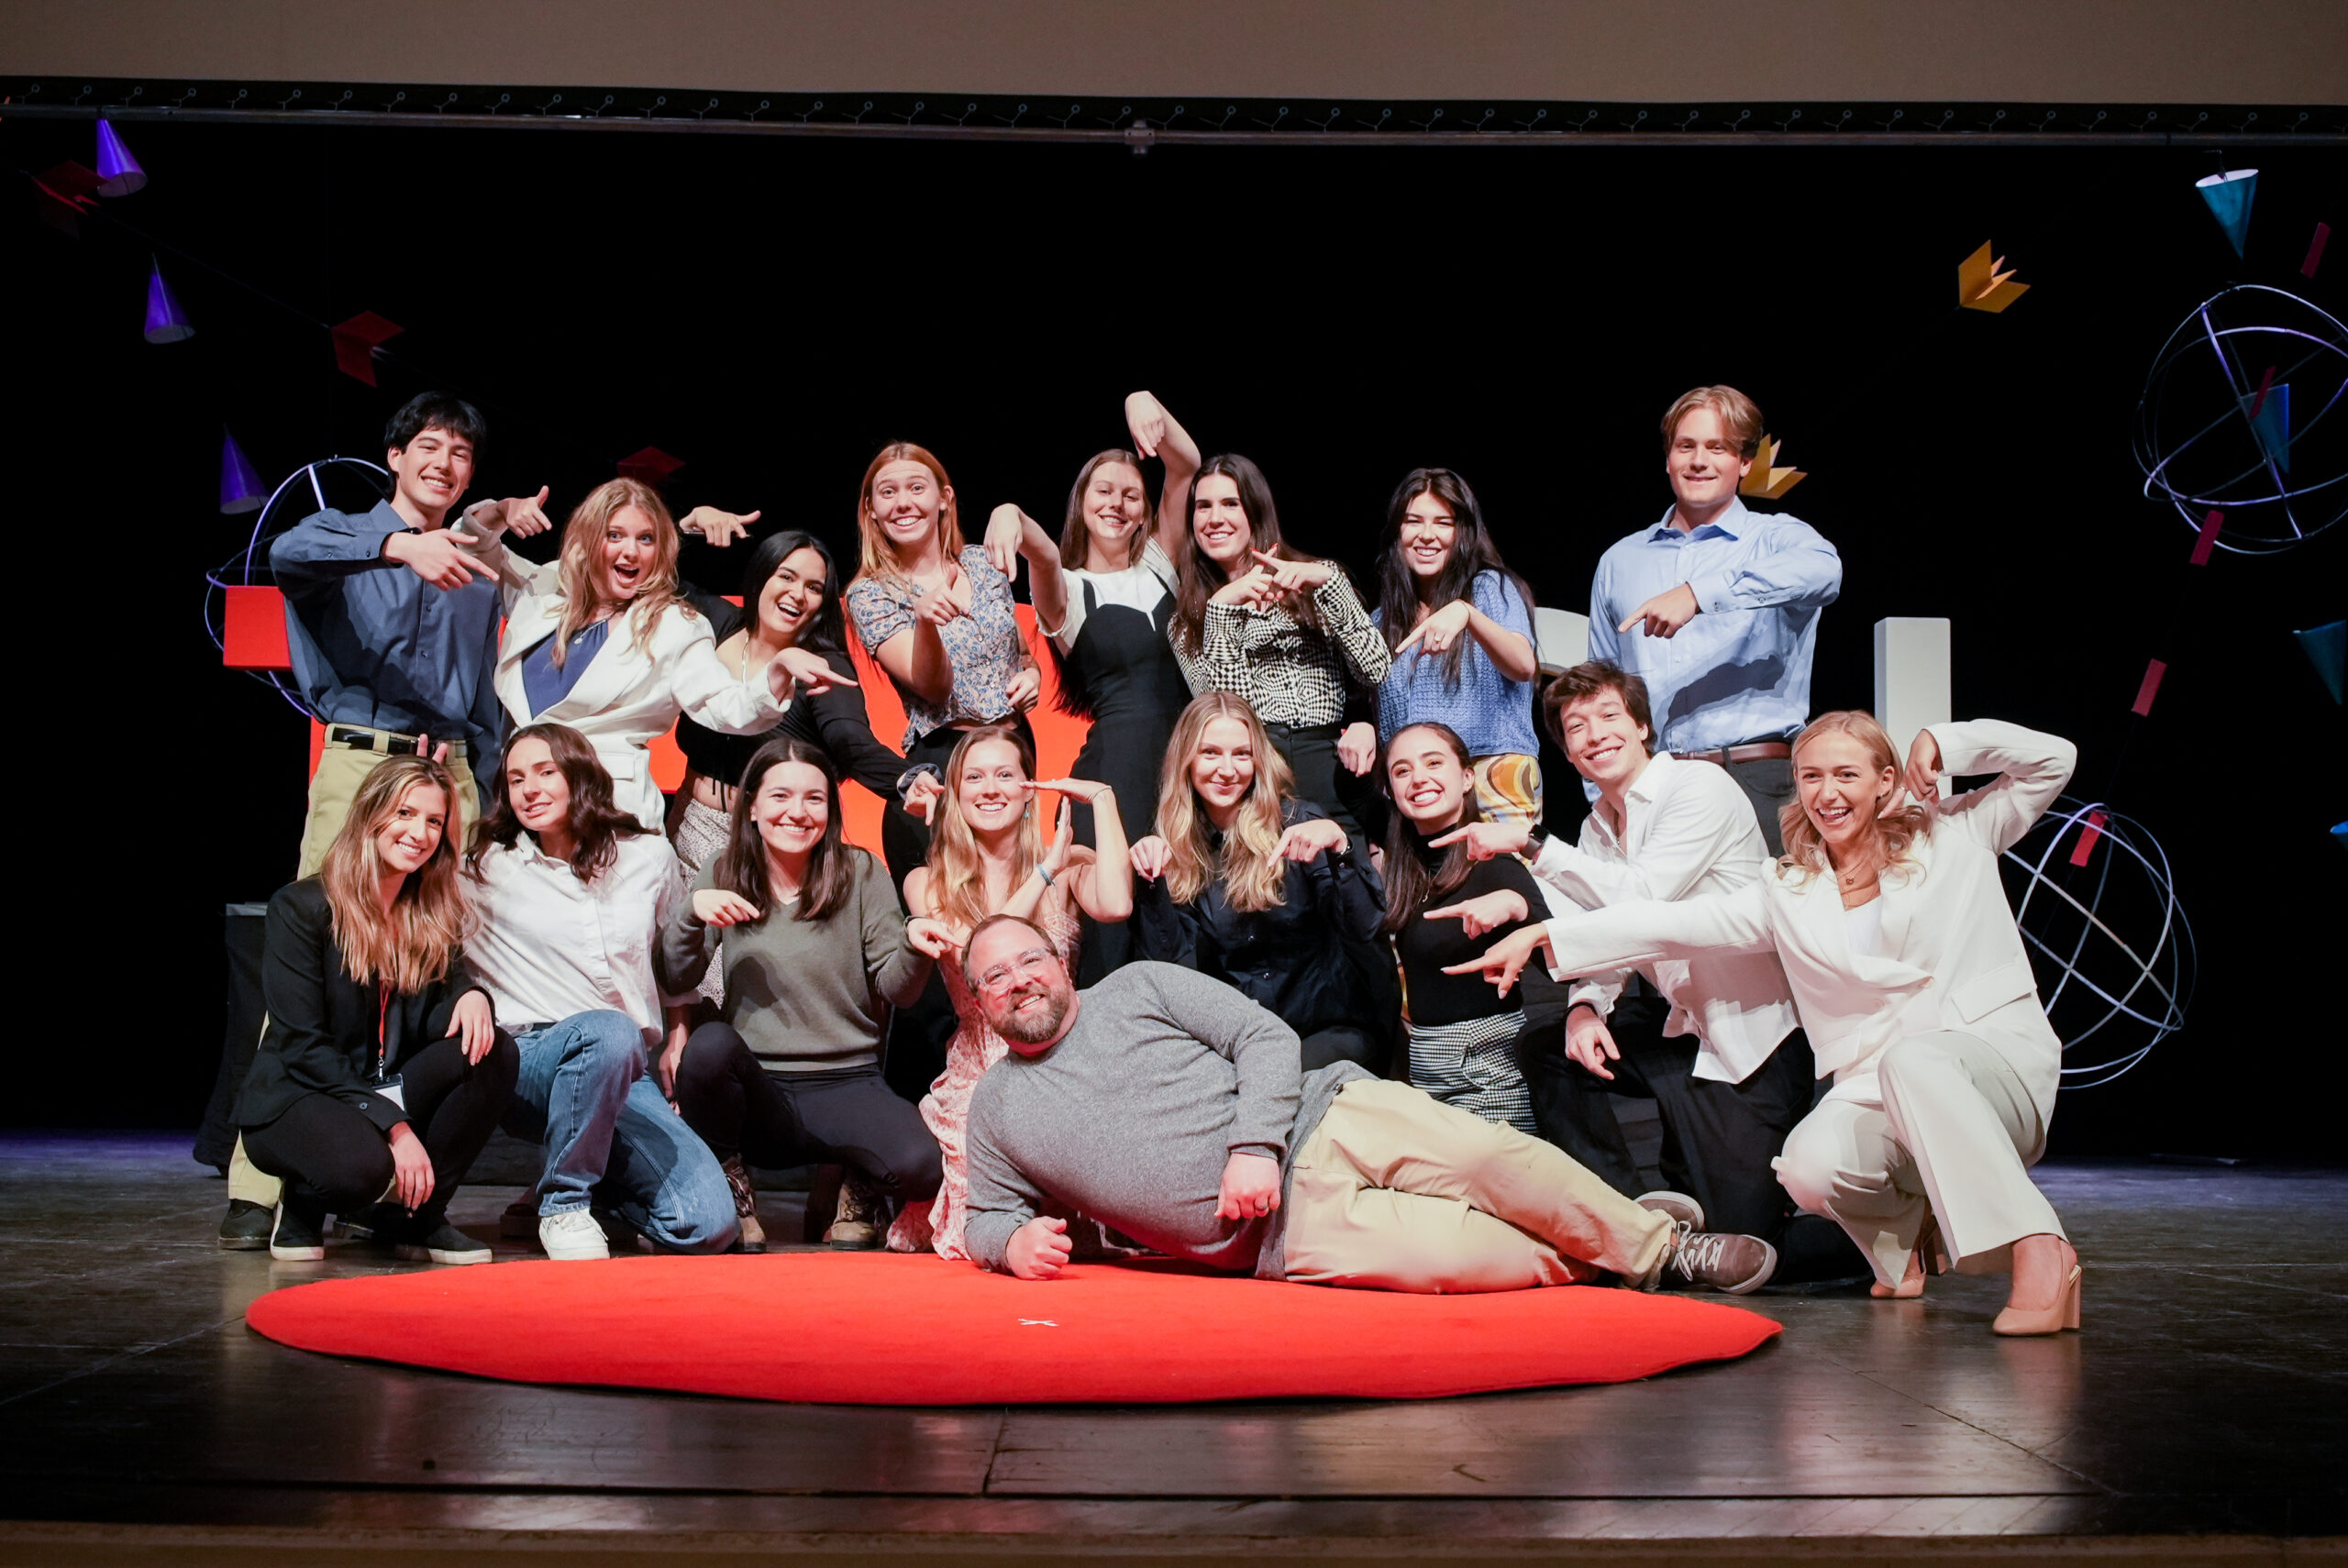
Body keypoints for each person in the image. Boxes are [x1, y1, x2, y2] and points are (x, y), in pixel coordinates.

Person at [1451, 712, 2085, 1335]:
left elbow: (2054, 760)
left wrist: (1946, 742)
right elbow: (1675, 923)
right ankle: (1905, 1240)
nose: (1827, 793)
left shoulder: (1956, 832)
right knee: (1808, 1169)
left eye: (1846, 774)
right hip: (1881, 1088)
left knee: (1915, 1059)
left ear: (1886, 781)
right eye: (1811, 776)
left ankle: (2041, 1247)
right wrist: (1548, 935)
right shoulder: (1789, 888)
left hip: (1989, 1065)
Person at [956, 915, 1776, 1293]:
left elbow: (1265, 1038)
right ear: (980, 1001)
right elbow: (984, 1217)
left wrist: (1254, 1147)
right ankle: (1607, 1241)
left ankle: (1665, 1250)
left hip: (1327, 1114)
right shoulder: (997, 1109)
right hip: (1281, 1237)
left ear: (1059, 962)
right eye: (995, 976)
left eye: (1029, 959)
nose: (1019, 980)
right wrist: (1011, 1242)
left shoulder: (1138, 987)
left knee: (1488, 1157)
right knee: (1458, 1258)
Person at [1438, 663, 1866, 1287]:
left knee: (1749, 1243)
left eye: (1608, 716)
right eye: (1575, 728)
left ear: (1642, 726)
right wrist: (1585, 1006)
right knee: (1550, 1047)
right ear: (1568, 754)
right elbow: (1607, 936)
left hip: (1752, 1042)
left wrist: (1533, 845)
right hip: (1679, 1031)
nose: (1594, 735)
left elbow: (1643, 902)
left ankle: (1888, 1238)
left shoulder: (1699, 787)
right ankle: (1626, 1218)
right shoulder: (1595, 829)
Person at [659, 737, 947, 1252]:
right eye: (780, 796)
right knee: (708, 1047)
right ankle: (733, 1192)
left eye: (815, 798)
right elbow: (679, 977)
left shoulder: (861, 872)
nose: (798, 811)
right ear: (752, 806)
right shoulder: (723, 870)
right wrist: (690, 913)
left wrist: (914, 944)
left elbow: (897, 991)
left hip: (845, 1082)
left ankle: (858, 1185)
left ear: (830, 809)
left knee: (923, 1167)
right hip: (755, 1090)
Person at [463, 723, 737, 1260]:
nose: (530, 790)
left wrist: (678, 1036)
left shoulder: (647, 856)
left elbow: (667, 967)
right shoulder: (484, 866)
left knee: (707, 1225)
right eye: (516, 779)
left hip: (623, 1069)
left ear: (580, 776)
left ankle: (595, 1187)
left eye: (546, 772)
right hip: (526, 1061)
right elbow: (424, 929)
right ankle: (562, 1205)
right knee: (608, 1030)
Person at [234, 755, 518, 1264]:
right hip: (301, 1093)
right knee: (361, 1172)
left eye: (434, 821)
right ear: (371, 814)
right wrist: (396, 1127)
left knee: (493, 1051)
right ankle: (303, 1198)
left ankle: (418, 1217)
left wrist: (471, 995)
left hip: (376, 1086)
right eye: (405, 813)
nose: (419, 833)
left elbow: (440, 1010)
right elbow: (303, 1045)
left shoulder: (429, 911)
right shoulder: (301, 907)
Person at [453, 478, 847, 831]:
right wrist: (500, 511)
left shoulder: (675, 626)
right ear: (588, 538)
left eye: (646, 539)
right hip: (519, 810)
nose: (631, 552)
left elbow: (726, 706)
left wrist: (777, 672)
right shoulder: (545, 588)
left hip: (605, 818)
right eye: (615, 535)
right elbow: (471, 545)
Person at [890, 723, 1132, 1259]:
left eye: (1005, 774)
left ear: (1029, 789)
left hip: (1066, 1063)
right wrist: (1044, 872)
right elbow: (985, 953)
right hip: (982, 1071)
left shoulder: (1068, 860)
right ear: (954, 795)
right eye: (974, 778)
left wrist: (1103, 799)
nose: (990, 789)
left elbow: (1116, 904)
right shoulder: (927, 882)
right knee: (988, 1222)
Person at [983, 392, 1201, 979]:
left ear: (1144, 510)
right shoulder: (1068, 589)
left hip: (1186, 765)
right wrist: (1009, 512)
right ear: (1081, 502)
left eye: (1131, 494)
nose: (1117, 503)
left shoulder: (1161, 563)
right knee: (1115, 939)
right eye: (1103, 491)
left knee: (1187, 919)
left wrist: (1143, 401)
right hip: (1117, 774)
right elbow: (1042, 554)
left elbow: (1186, 465)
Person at [1588, 385, 1842, 854]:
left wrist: (1699, 594)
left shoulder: (1776, 538)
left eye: (1717, 447)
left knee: (1771, 905)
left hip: (1754, 777)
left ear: (1744, 462)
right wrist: (1603, 795)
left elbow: (1825, 573)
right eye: (1686, 446)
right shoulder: (1620, 561)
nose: (1699, 461)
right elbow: (1598, 691)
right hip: (1655, 784)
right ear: (1668, 459)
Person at [670, 530, 906, 1005]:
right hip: (686, 826)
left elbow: (852, 743)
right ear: (762, 575)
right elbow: (658, 569)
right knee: (679, 973)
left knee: (738, 991)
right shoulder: (717, 625)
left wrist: (910, 779)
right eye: (787, 576)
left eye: (814, 587)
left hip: (763, 845)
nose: (798, 594)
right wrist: (690, 526)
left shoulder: (821, 666)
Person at [1128, 694, 1388, 1073]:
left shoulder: (1298, 822)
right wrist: (1153, 883)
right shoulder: (1180, 848)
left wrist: (1341, 846)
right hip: (1243, 1044)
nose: (1227, 770)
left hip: (1329, 1031)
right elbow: (1170, 971)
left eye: (1242, 754)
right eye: (1210, 753)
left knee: (1271, 1077)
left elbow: (1364, 927)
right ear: (1186, 759)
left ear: (1258, 760)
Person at [841, 443, 1042, 889]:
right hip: (944, 765)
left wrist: (1032, 676)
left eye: (917, 488)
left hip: (1014, 752)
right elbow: (932, 687)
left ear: (944, 498)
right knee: (954, 907)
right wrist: (925, 621)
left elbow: (1022, 654)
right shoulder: (871, 593)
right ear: (871, 509)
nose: (903, 502)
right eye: (888, 492)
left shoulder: (983, 563)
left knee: (1014, 895)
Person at [1165, 453, 1392, 841]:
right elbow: (1225, 713)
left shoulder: (1312, 581)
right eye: (1203, 506)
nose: (1214, 518)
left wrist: (1330, 581)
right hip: (1253, 779)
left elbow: (1376, 669)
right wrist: (1222, 608)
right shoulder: (1187, 620)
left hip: (1328, 771)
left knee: (1346, 872)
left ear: (1255, 510)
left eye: (1230, 503)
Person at [1379, 723, 1563, 1136]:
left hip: (1489, 1070)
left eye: (1433, 763)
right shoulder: (1405, 873)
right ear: (1390, 791)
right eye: (1402, 770)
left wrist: (1519, 908)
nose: (1418, 778)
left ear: (1467, 778)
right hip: (1425, 1070)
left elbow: (1564, 969)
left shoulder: (1495, 865)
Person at [1371, 469, 1545, 830]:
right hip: (1417, 789)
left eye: (1443, 523)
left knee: (1502, 868)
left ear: (1462, 532)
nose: (1427, 534)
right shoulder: (1382, 619)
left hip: (1491, 773)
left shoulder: (1490, 588)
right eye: (1413, 521)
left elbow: (1523, 665)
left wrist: (1467, 614)